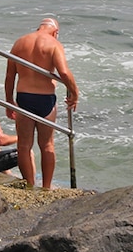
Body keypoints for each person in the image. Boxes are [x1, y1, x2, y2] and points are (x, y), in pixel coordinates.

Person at [5, 17, 79, 189]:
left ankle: (29, 185)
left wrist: (9, 101)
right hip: (45, 98)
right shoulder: (53, 44)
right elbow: (64, 73)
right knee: (47, 145)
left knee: (23, 145)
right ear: (55, 32)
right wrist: (75, 93)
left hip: (24, 97)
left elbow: (10, 76)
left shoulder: (20, 43)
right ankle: (46, 187)